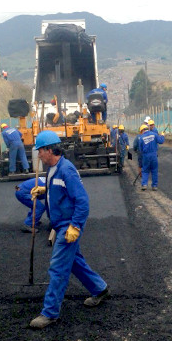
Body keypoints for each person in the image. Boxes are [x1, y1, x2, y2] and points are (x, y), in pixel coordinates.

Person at [28, 131, 110, 329]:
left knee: (58, 267)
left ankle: (49, 313)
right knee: (74, 262)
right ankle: (99, 289)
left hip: (68, 226)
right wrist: (43, 191)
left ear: (49, 150)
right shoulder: (52, 169)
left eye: (40, 151)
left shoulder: (67, 170)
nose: (38, 155)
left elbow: (82, 201)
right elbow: (59, 191)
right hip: (60, 224)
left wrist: (75, 226)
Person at [138, 124, 165, 191]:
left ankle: (144, 185)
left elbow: (140, 149)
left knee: (145, 170)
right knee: (154, 171)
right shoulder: (154, 134)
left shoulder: (141, 138)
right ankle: (154, 186)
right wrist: (162, 135)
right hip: (154, 155)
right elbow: (161, 141)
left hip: (146, 156)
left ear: (142, 130)